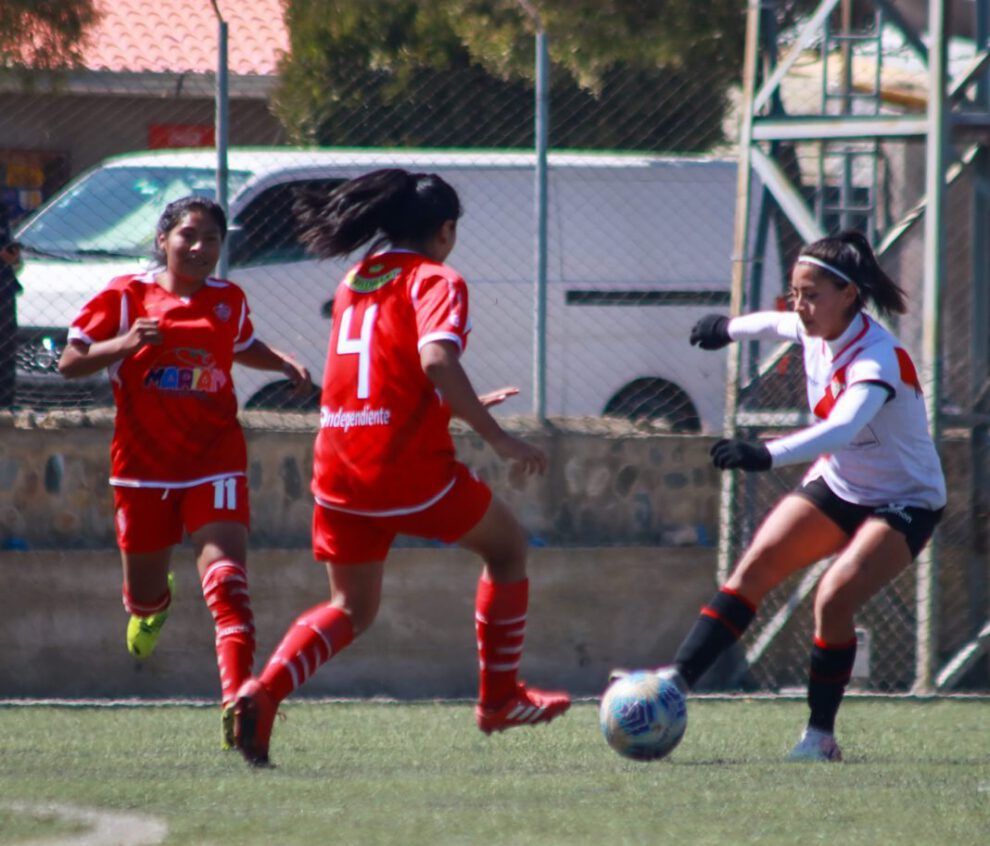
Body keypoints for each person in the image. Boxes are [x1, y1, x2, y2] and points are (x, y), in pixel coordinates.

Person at [232, 168, 571, 767]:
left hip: (338, 464)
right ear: (444, 230)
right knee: (509, 549)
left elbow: (383, 376)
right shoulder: (438, 279)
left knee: (349, 608)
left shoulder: (357, 277)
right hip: (404, 467)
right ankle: (498, 701)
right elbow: (436, 359)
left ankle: (263, 691)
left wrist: (451, 405)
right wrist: (496, 438)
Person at [626, 230, 946, 762]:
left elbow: (842, 429)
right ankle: (672, 686)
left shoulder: (877, 359)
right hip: (843, 485)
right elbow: (774, 323)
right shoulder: (814, 328)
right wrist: (727, 329)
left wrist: (765, 454)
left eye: (811, 294)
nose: (800, 306)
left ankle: (820, 737)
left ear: (849, 294)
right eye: (795, 293)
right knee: (753, 570)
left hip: (906, 499)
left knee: (833, 596)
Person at [58, 196, 311, 747]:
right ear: (163, 239)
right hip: (143, 469)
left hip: (213, 459)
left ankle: (238, 702)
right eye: (188, 236)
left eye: (212, 239)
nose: (200, 248)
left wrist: (283, 360)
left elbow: (241, 345)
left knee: (228, 584)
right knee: (145, 593)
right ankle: (151, 606)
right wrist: (123, 344)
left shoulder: (228, 299)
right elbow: (70, 360)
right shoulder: (127, 295)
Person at [0, 215, 24, 409]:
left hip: (4, 292)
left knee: (5, 355)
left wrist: (12, 257)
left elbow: (16, 262)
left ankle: (5, 408)